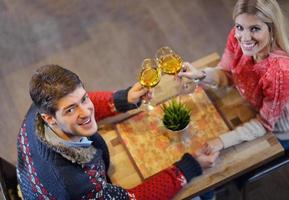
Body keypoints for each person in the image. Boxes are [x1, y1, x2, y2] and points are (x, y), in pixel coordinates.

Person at [16, 65, 219, 200]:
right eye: (71, 110)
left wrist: (123, 99)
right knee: (204, 192)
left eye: (84, 99)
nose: (86, 111)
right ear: (49, 118)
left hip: (33, 183)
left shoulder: (38, 111)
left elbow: (81, 104)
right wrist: (188, 167)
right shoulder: (78, 184)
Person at [179, 0, 289, 153]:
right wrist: (200, 75)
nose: (245, 38)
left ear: (272, 29)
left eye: (255, 29)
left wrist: (221, 141)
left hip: (278, 133)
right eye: (240, 27)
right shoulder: (237, 37)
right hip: (251, 107)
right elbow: (226, 74)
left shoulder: (280, 74)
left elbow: (265, 124)